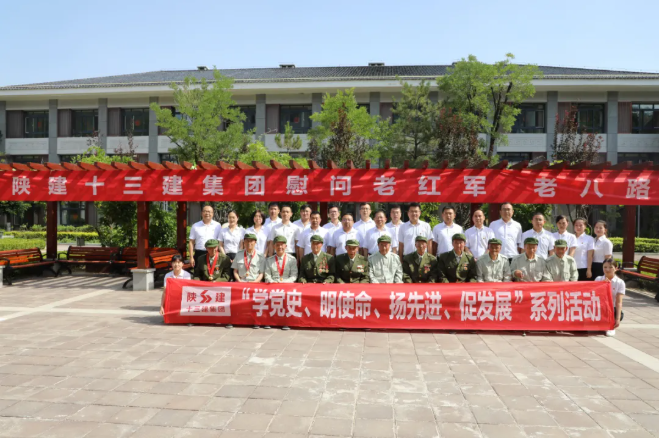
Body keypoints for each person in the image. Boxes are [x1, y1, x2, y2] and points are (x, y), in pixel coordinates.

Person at [595, 258, 625, 337]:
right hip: (600, 307)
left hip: (612, 309)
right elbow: (595, 296)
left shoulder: (620, 282)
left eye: (610, 267)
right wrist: (602, 285)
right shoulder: (598, 279)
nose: (607, 269)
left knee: (613, 315)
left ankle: (610, 327)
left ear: (616, 268)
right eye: (605, 267)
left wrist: (617, 319)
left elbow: (618, 302)